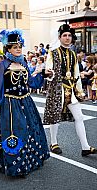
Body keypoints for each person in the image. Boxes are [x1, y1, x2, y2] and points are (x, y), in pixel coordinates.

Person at [0, 28, 50, 177]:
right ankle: (16, 166)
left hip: (26, 102)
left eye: (20, 46)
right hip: (10, 105)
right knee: (15, 132)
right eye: (14, 47)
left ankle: (30, 160)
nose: (18, 49)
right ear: (8, 48)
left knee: (30, 130)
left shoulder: (23, 63)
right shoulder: (2, 65)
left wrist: (42, 74)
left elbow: (31, 83)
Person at [43, 24, 97, 157]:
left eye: (69, 35)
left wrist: (80, 91)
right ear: (60, 37)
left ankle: (85, 147)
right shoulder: (53, 52)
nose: (67, 38)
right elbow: (49, 69)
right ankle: (54, 142)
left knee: (79, 117)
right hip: (57, 89)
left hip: (71, 90)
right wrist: (48, 74)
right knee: (55, 118)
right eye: (64, 35)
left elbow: (76, 74)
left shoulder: (73, 54)